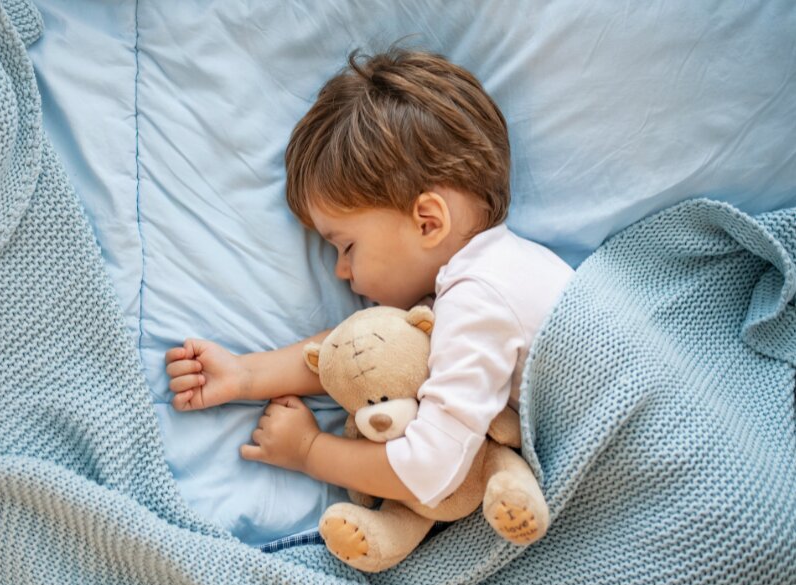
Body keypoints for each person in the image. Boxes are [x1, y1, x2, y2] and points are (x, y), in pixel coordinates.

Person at [165, 47, 573, 515]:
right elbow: (365, 350)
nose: (341, 271)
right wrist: (246, 375)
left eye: (347, 246)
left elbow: (431, 471)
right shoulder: (497, 271)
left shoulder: (478, 298)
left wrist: (310, 452)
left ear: (426, 221)